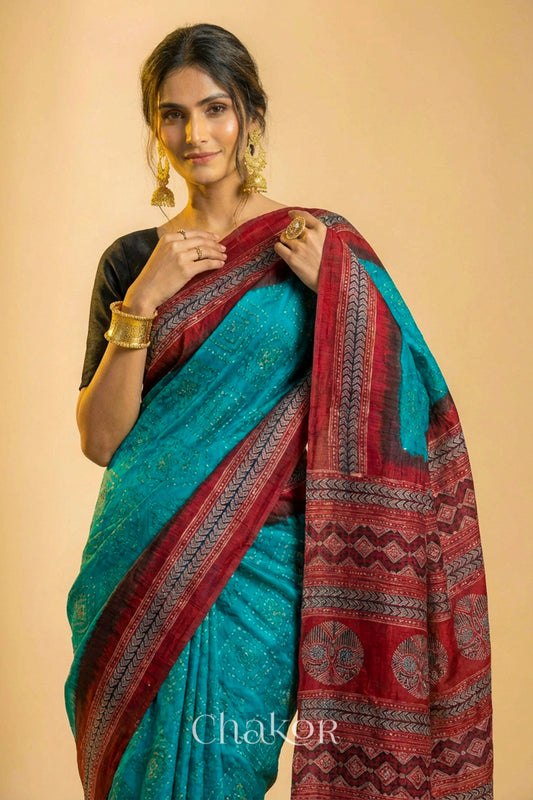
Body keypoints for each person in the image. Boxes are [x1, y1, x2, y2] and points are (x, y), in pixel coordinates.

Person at [65, 23, 493, 800]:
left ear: (250, 117)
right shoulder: (131, 262)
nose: (195, 133)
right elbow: (99, 439)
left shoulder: (315, 245)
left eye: (215, 108)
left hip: (259, 574)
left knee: (227, 768)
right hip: (133, 568)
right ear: (153, 127)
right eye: (172, 114)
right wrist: (141, 302)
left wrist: (339, 286)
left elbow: (414, 399)